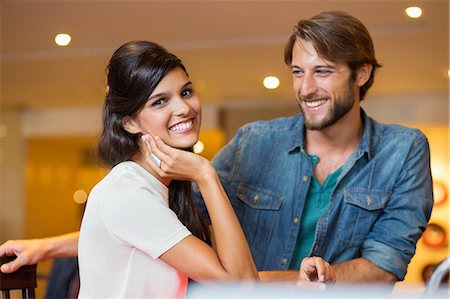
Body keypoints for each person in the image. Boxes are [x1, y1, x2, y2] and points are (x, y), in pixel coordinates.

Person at [0, 11, 433, 285]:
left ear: (360, 74)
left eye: (322, 72)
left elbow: (386, 260)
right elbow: (161, 230)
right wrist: (49, 245)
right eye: (298, 71)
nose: (305, 88)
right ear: (129, 121)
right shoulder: (254, 142)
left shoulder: (404, 150)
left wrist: (327, 277)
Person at [62, 40, 261, 297]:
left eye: (186, 92)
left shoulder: (161, 187)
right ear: (131, 123)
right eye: (159, 102)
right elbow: (243, 287)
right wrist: (205, 174)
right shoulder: (127, 192)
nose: (184, 108)